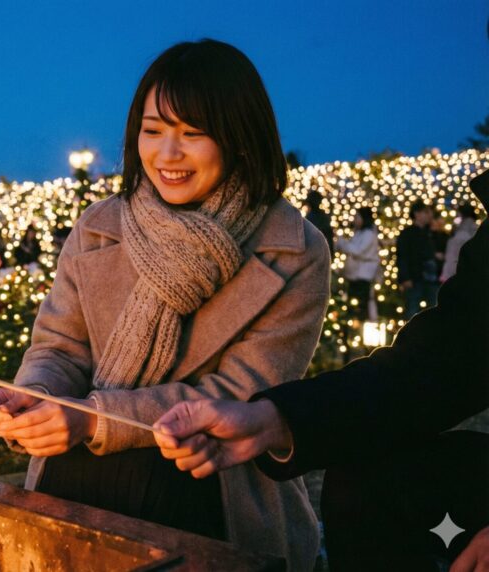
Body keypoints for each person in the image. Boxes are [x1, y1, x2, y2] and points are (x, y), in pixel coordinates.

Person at [0, 39, 330, 571]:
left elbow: (238, 393)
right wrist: (33, 396)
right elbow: (60, 347)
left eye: (193, 134)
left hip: (208, 488)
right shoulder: (100, 227)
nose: (167, 155)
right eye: (152, 131)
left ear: (239, 138)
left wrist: (94, 420)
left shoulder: (293, 249)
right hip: (74, 480)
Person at [152, 169, 488, 572]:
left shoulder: (294, 244)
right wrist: (275, 419)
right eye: (153, 131)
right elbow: (441, 362)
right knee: (363, 479)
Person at [336, 207, 380, 320]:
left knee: (360, 305)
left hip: (363, 275)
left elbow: (358, 251)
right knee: (353, 303)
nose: (355, 220)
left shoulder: (369, 234)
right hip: (355, 274)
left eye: (357, 217)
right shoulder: (360, 233)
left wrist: (342, 244)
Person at [397, 201, 439, 319]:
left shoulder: (429, 233)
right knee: (412, 312)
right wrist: (405, 278)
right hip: (414, 278)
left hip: (431, 279)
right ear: (417, 214)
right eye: (425, 212)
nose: (429, 215)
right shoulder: (407, 234)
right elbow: (402, 257)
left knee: (432, 311)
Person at [441, 202, 479, 282]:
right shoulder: (475, 229)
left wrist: (446, 274)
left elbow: (452, 256)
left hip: (457, 272)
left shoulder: (461, 232)